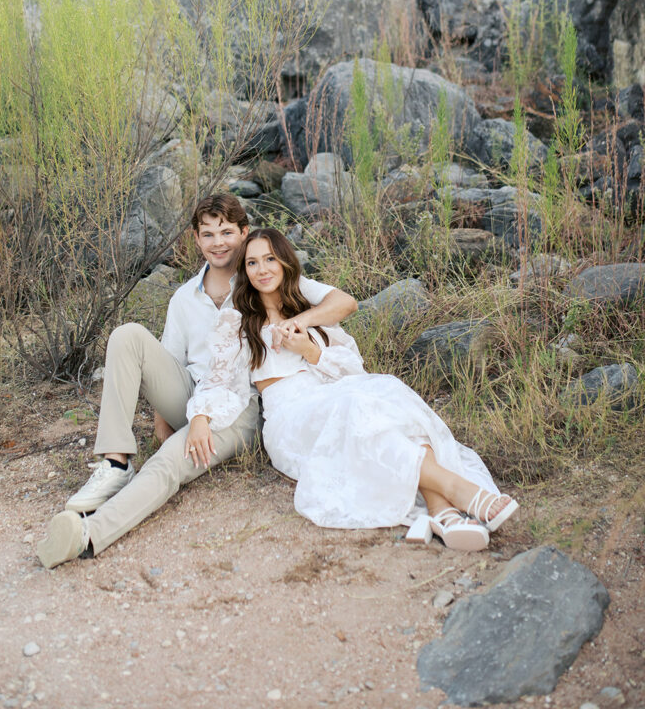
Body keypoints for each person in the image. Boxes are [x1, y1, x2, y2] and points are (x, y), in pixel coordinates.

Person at [37, 196, 358, 568]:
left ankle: (86, 536)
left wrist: (300, 322)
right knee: (127, 335)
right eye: (208, 234)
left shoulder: (262, 276)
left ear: (243, 233)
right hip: (195, 394)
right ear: (197, 239)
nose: (218, 242)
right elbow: (169, 362)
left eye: (226, 232)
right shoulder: (183, 298)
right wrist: (168, 424)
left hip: (239, 406)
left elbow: (342, 302)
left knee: (169, 461)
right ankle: (116, 462)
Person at [185, 228, 518, 549]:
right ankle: (459, 491)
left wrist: (309, 350)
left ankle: (442, 511)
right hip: (292, 417)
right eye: (252, 263)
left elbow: (351, 371)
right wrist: (200, 416)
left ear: (285, 262)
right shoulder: (238, 321)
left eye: (270, 259)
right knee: (357, 406)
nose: (262, 269)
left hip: (333, 395)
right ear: (243, 271)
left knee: (385, 391)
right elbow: (218, 377)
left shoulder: (307, 313)